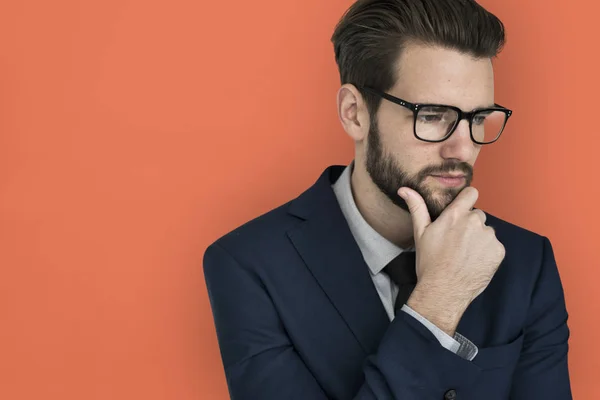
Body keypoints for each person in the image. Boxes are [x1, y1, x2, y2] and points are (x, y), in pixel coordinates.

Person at [203, 0, 572, 398]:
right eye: (432, 115)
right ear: (354, 113)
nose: (463, 149)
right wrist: (437, 304)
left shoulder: (526, 262)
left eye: (478, 118)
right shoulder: (250, 264)